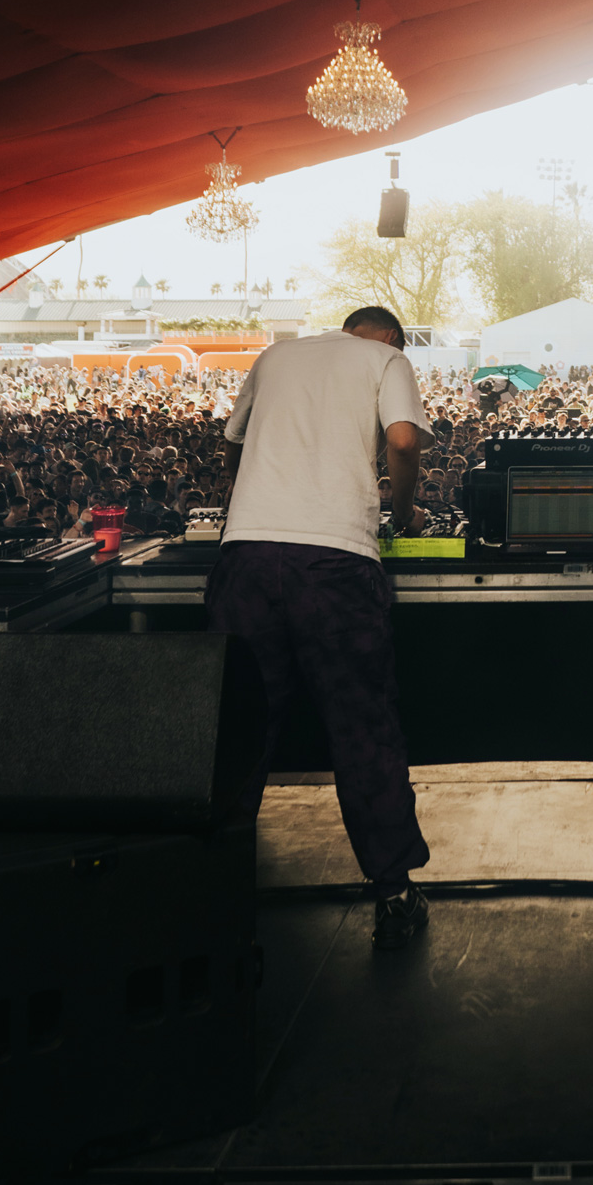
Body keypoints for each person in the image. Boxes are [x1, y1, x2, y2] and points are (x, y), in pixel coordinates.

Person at [203, 304, 433, 950]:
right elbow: (406, 440)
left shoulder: (278, 355)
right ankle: (391, 890)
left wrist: (254, 499)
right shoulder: (387, 359)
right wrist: (403, 507)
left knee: (239, 727)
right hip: (334, 562)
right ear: (389, 336)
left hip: (245, 554)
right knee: (362, 726)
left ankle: (213, 884)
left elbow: (231, 442)